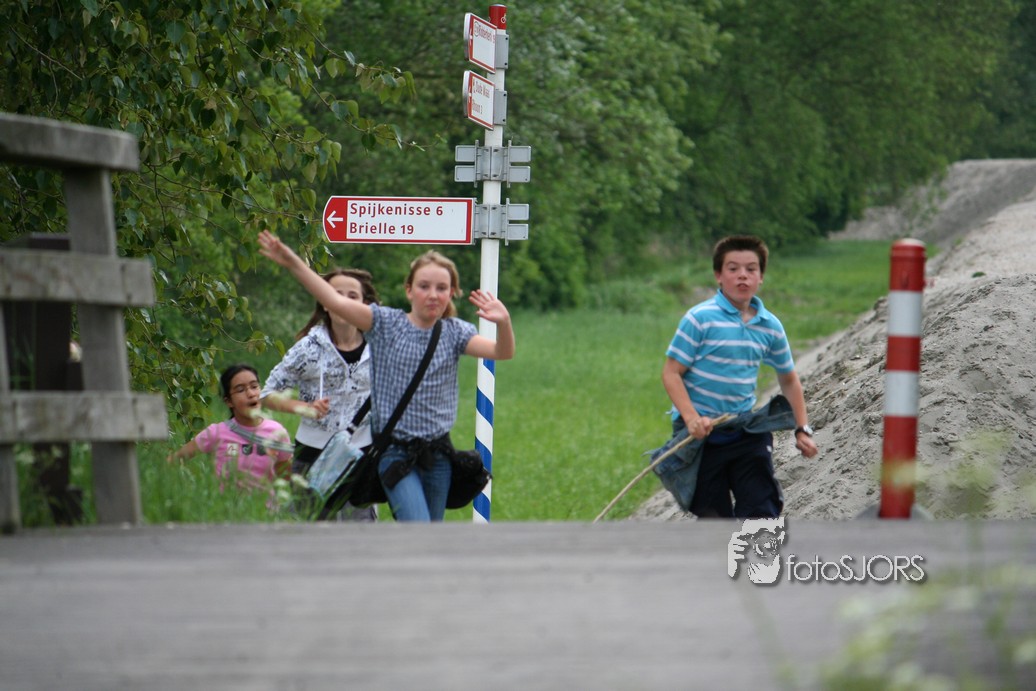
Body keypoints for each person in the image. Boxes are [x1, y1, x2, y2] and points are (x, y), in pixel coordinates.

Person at [258, 230, 515, 522]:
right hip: (395, 453)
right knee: (417, 526)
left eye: (442, 288)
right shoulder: (386, 323)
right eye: (424, 286)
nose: (433, 294)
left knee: (432, 535)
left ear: (452, 292)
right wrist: (292, 261)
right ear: (409, 290)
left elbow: (502, 352)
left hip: (439, 455)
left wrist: (504, 322)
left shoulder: (455, 332)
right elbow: (335, 301)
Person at [661, 235, 818, 519]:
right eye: (733, 269)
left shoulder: (770, 326)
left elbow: (788, 379)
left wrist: (802, 428)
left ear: (761, 277)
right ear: (718, 275)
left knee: (762, 506)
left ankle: (758, 550)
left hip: (745, 428)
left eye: (751, 269)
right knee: (713, 516)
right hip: (700, 434)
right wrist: (692, 419)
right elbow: (671, 373)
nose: (742, 275)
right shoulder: (699, 319)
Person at [260, 267, 380, 522]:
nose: (343, 302)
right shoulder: (308, 349)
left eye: (352, 296)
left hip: (360, 456)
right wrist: (303, 408)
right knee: (308, 536)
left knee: (360, 537)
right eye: (336, 294)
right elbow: (267, 395)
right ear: (325, 301)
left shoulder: (380, 347)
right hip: (311, 456)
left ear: (364, 304)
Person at [168, 363, 294, 500]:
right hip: (225, 510)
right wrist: (186, 491)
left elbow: (286, 476)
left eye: (254, 386)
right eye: (240, 390)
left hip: (265, 511)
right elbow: (173, 461)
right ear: (229, 401)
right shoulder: (216, 432)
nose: (251, 394)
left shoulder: (277, 432)